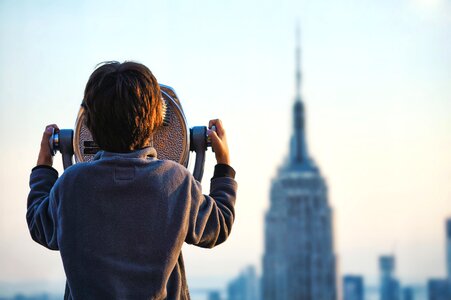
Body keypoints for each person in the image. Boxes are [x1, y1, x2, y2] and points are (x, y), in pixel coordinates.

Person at [27, 61, 237, 300]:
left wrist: (44, 164)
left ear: (89, 124)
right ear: (157, 120)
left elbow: (39, 225)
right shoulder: (176, 182)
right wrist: (224, 166)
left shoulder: (70, 184)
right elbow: (219, 225)